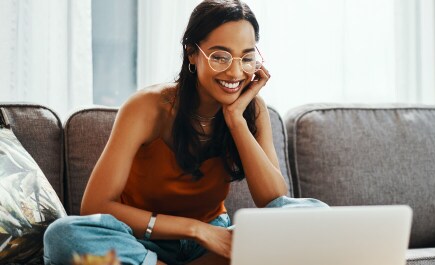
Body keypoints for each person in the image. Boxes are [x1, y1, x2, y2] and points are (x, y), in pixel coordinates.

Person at [43, 1, 328, 264]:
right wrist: (196, 229)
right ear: (192, 53)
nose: (235, 72)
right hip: (142, 240)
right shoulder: (148, 107)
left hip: (213, 247)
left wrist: (235, 119)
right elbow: (96, 204)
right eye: (220, 57)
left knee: (314, 214)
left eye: (246, 58)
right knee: (62, 234)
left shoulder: (251, 109)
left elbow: (273, 198)